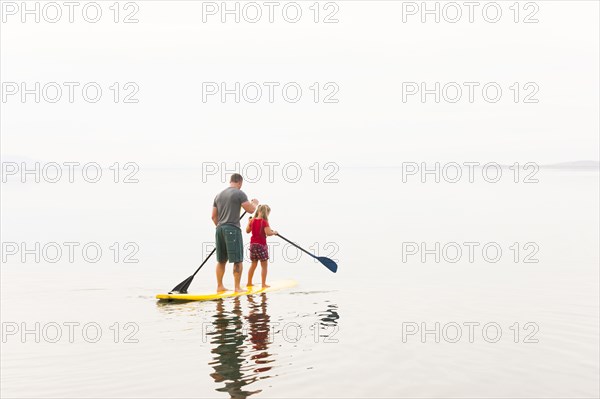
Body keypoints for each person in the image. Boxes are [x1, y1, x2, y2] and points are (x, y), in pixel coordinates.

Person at [212, 173, 258, 292]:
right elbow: (250, 210)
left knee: (221, 260)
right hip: (232, 229)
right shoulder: (239, 193)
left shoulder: (218, 195)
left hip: (219, 229)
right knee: (237, 259)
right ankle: (237, 288)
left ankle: (220, 286)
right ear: (239, 182)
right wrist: (255, 203)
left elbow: (213, 217)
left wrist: (221, 227)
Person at [245, 204, 277, 288]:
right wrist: (274, 233)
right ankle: (263, 284)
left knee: (253, 264)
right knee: (264, 266)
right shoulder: (264, 221)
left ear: (258, 211)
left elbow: (247, 231)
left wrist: (249, 222)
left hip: (252, 245)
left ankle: (249, 283)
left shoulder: (252, 221)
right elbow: (268, 233)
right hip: (261, 245)